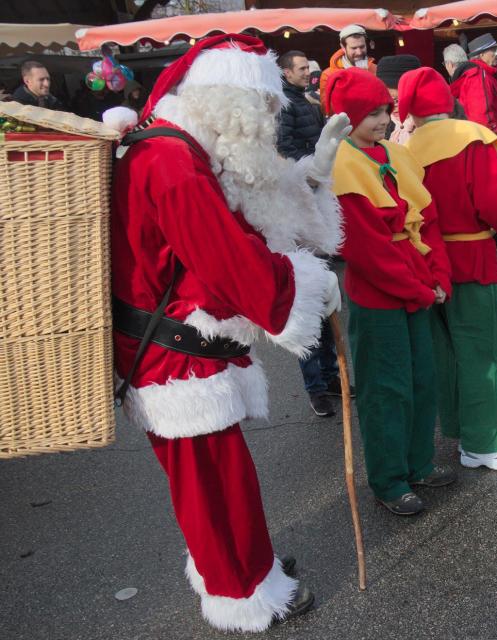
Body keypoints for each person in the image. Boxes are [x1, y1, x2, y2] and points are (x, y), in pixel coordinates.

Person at [108, 34, 346, 631]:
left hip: (172, 345)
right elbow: (224, 262)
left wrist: (307, 189)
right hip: (172, 357)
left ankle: (245, 565)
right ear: (227, 103)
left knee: (217, 476)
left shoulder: (183, 149)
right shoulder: (173, 163)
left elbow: (240, 217)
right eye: (263, 109)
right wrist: (305, 283)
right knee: (213, 482)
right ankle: (239, 590)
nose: (269, 122)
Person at [325, 68, 457, 516]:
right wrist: (421, 288)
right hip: (380, 296)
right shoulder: (342, 166)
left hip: (416, 285)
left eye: (385, 110)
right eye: (372, 114)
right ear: (348, 117)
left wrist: (439, 275)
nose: (383, 120)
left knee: (422, 380)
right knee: (386, 390)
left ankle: (418, 463)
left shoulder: (393, 155)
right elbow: (368, 251)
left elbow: (429, 220)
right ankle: (388, 479)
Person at [399, 67, 497, 471]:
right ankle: (485, 443)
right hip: (472, 258)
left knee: (445, 350)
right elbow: (494, 203)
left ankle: (457, 426)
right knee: (481, 350)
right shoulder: (471, 140)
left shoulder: (402, 151)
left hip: (427, 263)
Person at [276, 49, 356, 419]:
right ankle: (317, 387)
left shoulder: (305, 99)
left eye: (309, 68)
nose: (309, 73)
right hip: (295, 211)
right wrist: (314, 169)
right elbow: (288, 153)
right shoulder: (282, 107)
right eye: (302, 69)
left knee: (327, 301)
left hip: (316, 204)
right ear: (285, 72)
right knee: (306, 306)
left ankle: (332, 377)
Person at [451, 33, 497, 230]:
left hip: (488, 145)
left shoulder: (481, 75)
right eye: (494, 50)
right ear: (482, 54)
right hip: (490, 146)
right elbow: (482, 116)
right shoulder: (479, 77)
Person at [318, 24, 377, 114]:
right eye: (354, 48)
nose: (359, 52)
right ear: (343, 47)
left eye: (362, 47)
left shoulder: (375, 69)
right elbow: (327, 110)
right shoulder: (328, 74)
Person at [375, 54, 422, 144]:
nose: (393, 107)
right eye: (387, 101)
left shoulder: (430, 123)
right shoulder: (376, 125)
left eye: (397, 100)